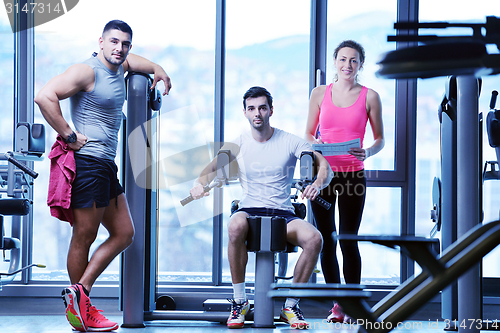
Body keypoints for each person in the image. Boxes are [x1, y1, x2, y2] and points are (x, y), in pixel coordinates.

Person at [35, 20, 172, 332]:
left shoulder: (120, 65)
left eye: (124, 44)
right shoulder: (87, 71)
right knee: (84, 235)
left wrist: (158, 69)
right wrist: (69, 135)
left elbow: (136, 62)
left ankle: (78, 293)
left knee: (125, 232)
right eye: (113, 42)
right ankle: (81, 304)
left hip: (105, 166)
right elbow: (44, 96)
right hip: (87, 164)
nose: (118, 48)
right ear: (100, 41)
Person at [189, 86, 333, 329]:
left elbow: (324, 167)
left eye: (262, 108)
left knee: (315, 238)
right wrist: (197, 184)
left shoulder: (290, 141)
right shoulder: (238, 144)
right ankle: (240, 301)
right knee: (235, 225)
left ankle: (290, 305)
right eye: (252, 108)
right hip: (250, 210)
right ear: (245, 112)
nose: (257, 113)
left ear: (271, 111)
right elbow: (209, 170)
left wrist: (317, 184)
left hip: (284, 214)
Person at [305, 40, 384, 323]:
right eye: (342, 59)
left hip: (354, 175)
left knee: (348, 241)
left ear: (360, 64)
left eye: (353, 60)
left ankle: (353, 306)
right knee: (327, 241)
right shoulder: (318, 93)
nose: (347, 65)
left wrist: (369, 151)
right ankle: (337, 305)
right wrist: (319, 146)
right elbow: (308, 135)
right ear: (335, 62)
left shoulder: (370, 97)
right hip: (323, 175)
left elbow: (379, 140)